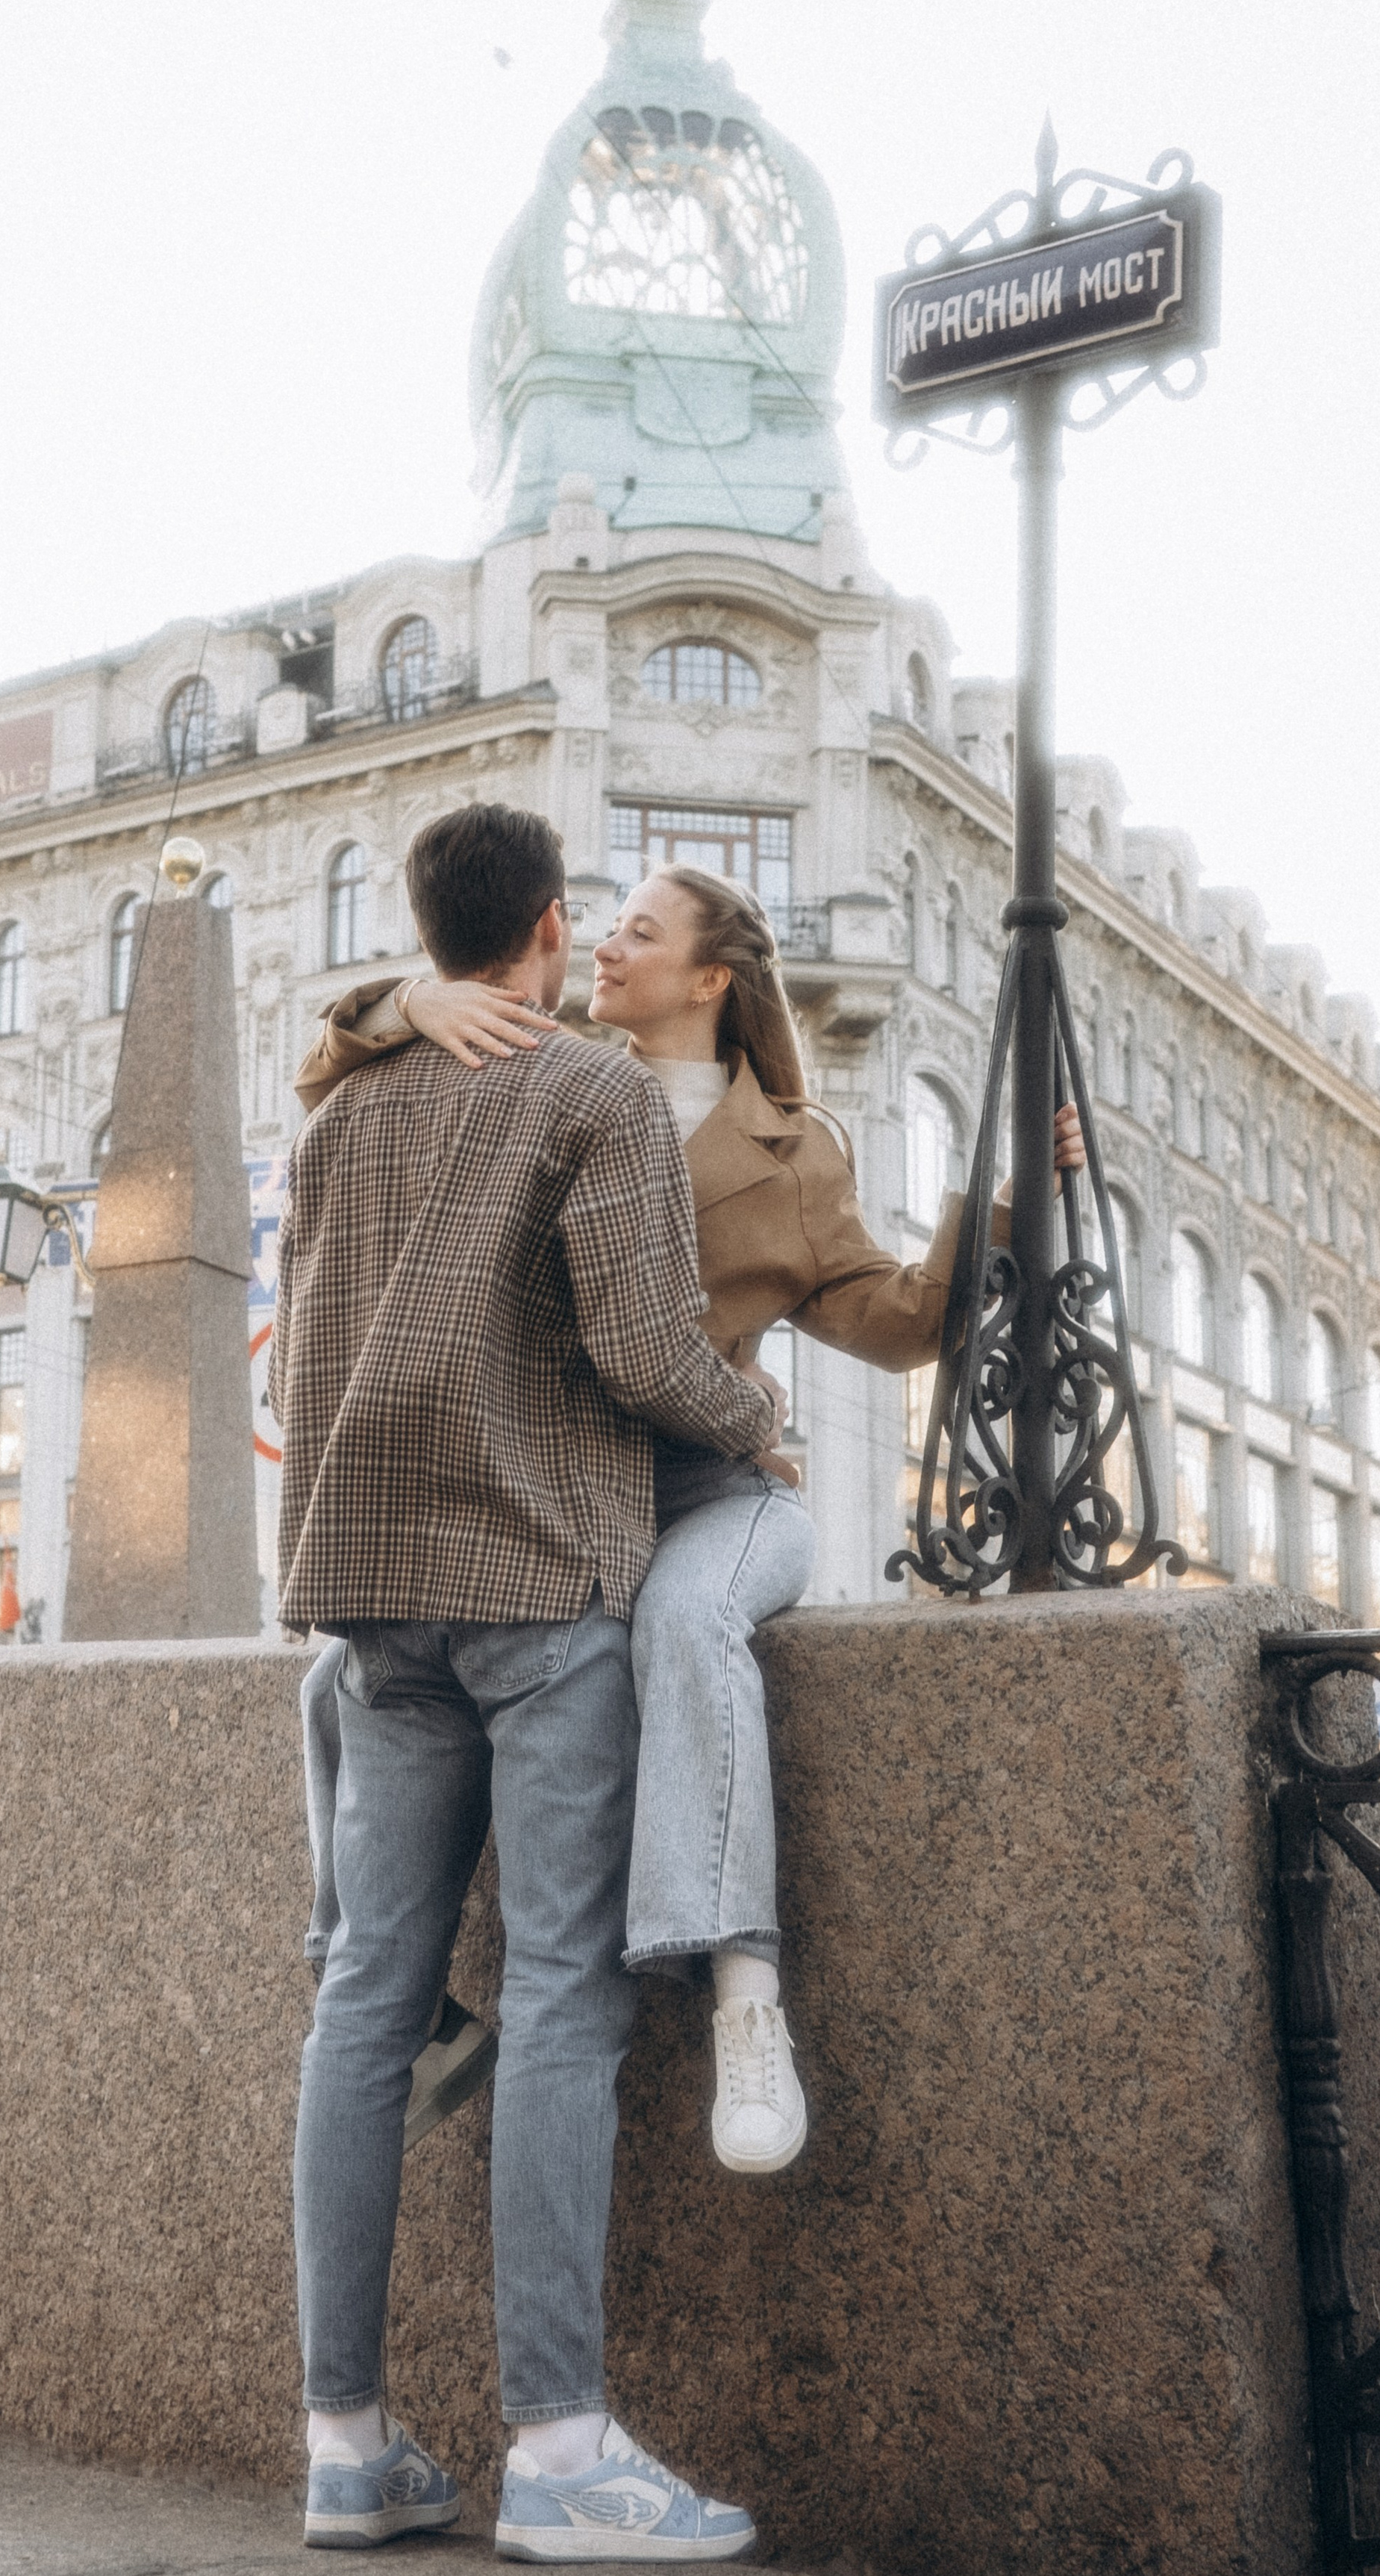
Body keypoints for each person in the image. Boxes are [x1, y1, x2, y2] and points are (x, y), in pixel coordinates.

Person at [294, 861, 1084, 2175]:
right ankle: (392, 1991)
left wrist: (1001, 1217)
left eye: (639, 934)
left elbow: (889, 1322)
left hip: (721, 1493)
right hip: (554, 1498)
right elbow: (338, 1070)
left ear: (711, 978)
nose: (604, 947)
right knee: (337, 1668)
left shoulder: (792, 1147)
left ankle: (745, 1996)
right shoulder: (528, 1057)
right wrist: (410, 1002)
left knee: (684, 1621)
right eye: (600, 929)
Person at [272, 802, 778, 2565]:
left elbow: (311, 1321)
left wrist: (381, 1016)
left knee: (360, 2002)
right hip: (538, 1584)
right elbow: (645, 1346)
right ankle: (557, 2450)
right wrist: (757, 1428)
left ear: (433, 931)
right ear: (552, 926)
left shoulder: (343, 1108)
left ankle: (347, 2444)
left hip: (370, 1601)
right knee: (561, 1993)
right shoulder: (588, 1094)